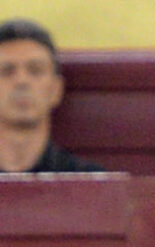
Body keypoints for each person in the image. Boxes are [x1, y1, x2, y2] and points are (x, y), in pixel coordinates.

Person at [0, 22, 103, 175]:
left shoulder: (88, 182)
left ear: (56, 89)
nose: (21, 81)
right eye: (7, 71)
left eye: (35, 70)